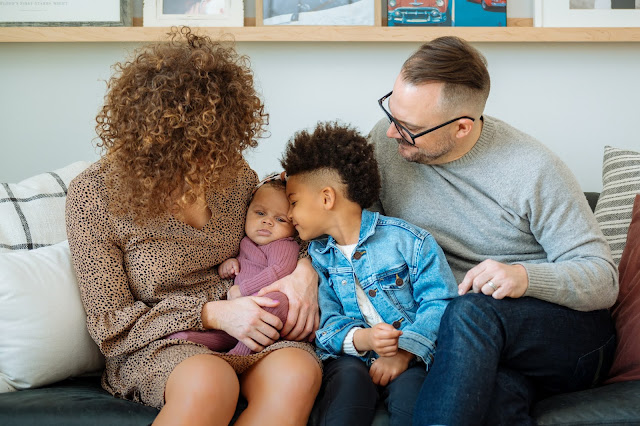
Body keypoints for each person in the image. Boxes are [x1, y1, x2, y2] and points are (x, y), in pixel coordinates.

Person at [65, 28, 321, 426]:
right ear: (150, 142)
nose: (211, 165)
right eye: (194, 153)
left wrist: (304, 271)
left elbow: (279, 228)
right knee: (209, 381)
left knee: (297, 373)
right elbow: (110, 325)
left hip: (250, 328)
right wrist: (212, 314)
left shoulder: (231, 171)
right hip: (162, 342)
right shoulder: (95, 195)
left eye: (218, 147)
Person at [367, 35, 618, 425]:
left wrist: (523, 277)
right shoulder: (386, 147)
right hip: (474, 346)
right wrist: (300, 270)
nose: (391, 133)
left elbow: (603, 279)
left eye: (409, 127)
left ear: (462, 127)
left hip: (567, 337)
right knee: (492, 400)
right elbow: (346, 229)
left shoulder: (532, 170)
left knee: (470, 311)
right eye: (391, 113)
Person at [281, 122, 459, 425]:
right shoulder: (319, 258)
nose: (289, 214)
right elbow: (328, 323)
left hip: (411, 358)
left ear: (326, 198)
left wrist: (404, 352)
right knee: (347, 384)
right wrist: (364, 339)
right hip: (351, 359)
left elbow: (440, 303)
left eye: (294, 202)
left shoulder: (409, 242)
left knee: (411, 395)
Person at [166, 175, 300, 356]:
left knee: (276, 301)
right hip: (239, 311)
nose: (267, 221)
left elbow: (280, 270)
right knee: (216, 330)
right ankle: (191, 338)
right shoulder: (246, 241)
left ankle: (239, 355)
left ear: (294, 227)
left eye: (281, 219)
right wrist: (231, 264)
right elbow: (248, 263)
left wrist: (243, 289)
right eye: (260, 213)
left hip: (266, 307)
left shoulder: (283, 244)